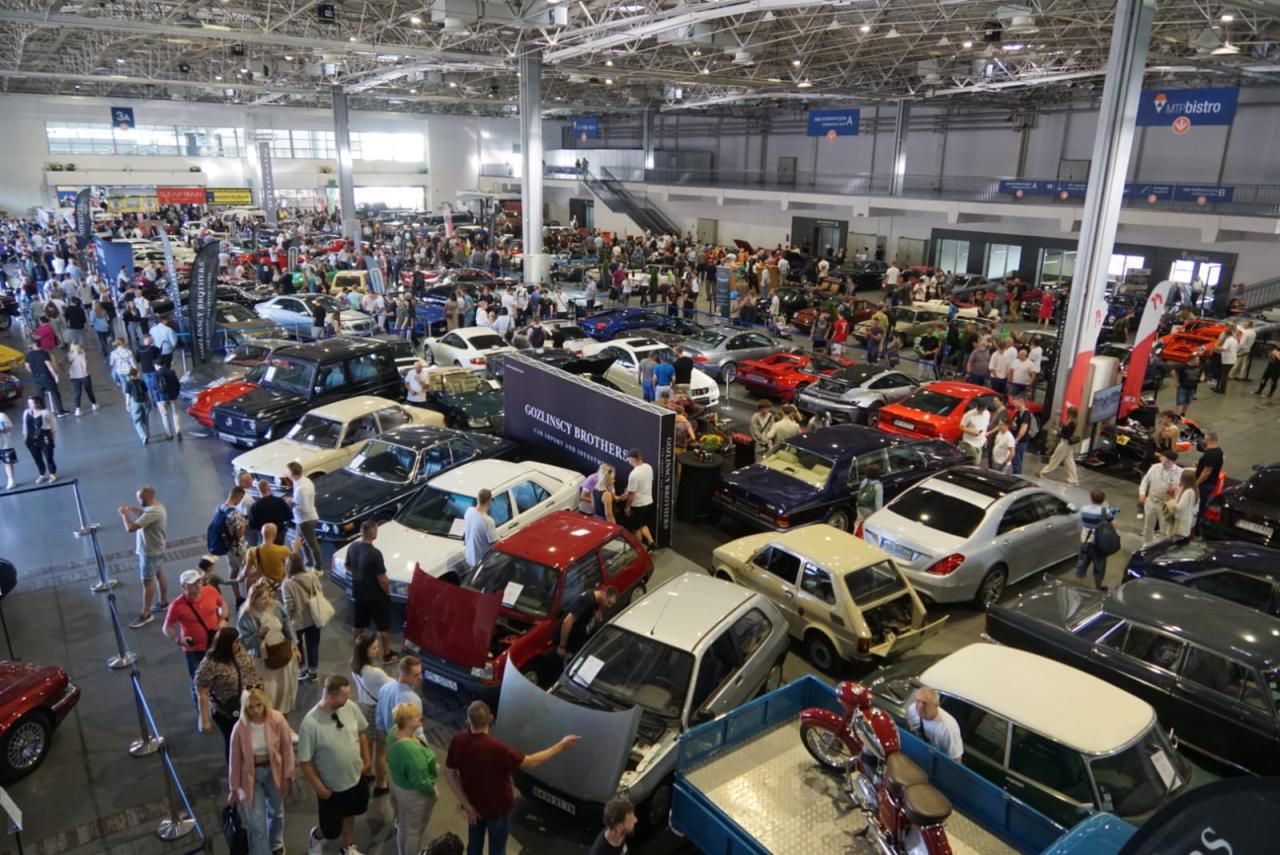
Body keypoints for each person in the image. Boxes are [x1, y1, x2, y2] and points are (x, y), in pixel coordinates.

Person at [443, 701, 581, 855]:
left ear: (468, 721)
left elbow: (449, 773)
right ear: (491, 718)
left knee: (474, 847)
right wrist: (561, 745)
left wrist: (467, 805)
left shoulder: (458, 741)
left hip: (473, 808)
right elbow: (531, 762)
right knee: (497, 849)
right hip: (498, 810)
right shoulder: (497, 749)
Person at [298, 675, 372, 855]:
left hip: (354, 777)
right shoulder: (310, 724)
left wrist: (367, 760)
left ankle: (347, 847)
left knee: (350, 813)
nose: (349, 698)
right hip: (331, 787)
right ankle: (316, 836)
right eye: (344, 695)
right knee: (331, 830)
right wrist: (320, 789)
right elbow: (305, 761)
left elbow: (361, 732)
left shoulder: (350, 707)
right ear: (331, 697)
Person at [228, 687, 295, 855]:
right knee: (257, 821)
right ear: (245, 707)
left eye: (259, 705)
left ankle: (276, 844)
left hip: (274, 771)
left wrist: (288, 775)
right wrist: (234, 788)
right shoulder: (240, 727)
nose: (256, 711)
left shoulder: (277, 719)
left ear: (265, 703)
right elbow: (234, 760)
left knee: (277, 812)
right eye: (251, 707)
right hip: (250, 776)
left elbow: (287, 749)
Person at [163, 569, 228, 708]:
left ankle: (220, 702)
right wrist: (178, 640)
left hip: (215, 643)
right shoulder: (176, 606)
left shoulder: (210, 591)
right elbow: (167, 627)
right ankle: (201, 709)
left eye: (198, 581)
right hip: (194, 650)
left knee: (220, 673)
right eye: (192, 584)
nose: (198, 586)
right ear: (184, 587)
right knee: (198, 681)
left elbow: (222, 604)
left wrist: (223, 619)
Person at [196, 627, 262, 756]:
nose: (239, 644)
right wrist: (204, 719)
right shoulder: (211, 663)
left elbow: (251, 671)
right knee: (234, 742)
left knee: (251, 737)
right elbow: (202, 692)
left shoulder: (240, 652)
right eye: (235, 642)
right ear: (225, 644)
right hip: (226, 710)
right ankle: (234, 769)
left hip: (248, 703)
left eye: (239, 641)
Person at [387, 702, 439, 855]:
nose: (420, 718)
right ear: (408, 722)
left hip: (398, 785)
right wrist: (433, 793)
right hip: (414, 795)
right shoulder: (413, 753)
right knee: (414, 832)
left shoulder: (393, 732)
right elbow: (422, 783)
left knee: (403, 825)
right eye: (417, 716)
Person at [376, 657, 424, 801]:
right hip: (407, 748)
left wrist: (385, 738)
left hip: (389, 740)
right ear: (404, 674)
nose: (420, 678)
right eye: (415, 675)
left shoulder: (385, 687)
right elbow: (417, 731)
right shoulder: (413, 699)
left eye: (420, 673)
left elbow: (379, 717)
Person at [350, 634, 393, 794]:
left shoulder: (354, 665)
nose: (378, 650)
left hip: (362, 707)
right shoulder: (375, 672)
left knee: (366, 745)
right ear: (364, 650)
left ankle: (367, 772)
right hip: (375, 710)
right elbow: (393, 685)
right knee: (380, 751)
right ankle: (381, 784)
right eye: (374, 648)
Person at [120, 484, 169, 627]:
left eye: (139, 498)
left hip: (149, 552)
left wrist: (125, 515)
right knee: (159, 573)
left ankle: (146, 613)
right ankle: (163, 601)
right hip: (158, 548)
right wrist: (132, 509)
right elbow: (144, 513)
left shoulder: (153, 512)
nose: (137, 500)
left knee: (147, 582)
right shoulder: (157, 506)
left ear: (146, 498)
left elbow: (130, 528)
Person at [346, 520, 396, 659]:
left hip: (359, 593)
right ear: (372, 533)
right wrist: (387, 590)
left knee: (358, 623)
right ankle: (386, 654)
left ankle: (359, 652)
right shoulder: (375, 553)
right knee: (382, 627)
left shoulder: (353, 547)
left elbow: (348, 566)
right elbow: (382, 578)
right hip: (376, 597)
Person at [282, 545, 325, 682]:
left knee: (297, 645)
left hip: (297, 621)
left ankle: (301, 669)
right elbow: (320, 592)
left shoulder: (287, 584)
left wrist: (285, 619)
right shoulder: (312, 576)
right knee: (313, 645)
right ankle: (313, 671)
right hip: (313, 617)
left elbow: (289, 605)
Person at [556, 586, 618, 662]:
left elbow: (597, 614)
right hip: (571, 645)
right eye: (608, 603)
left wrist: (598, 616)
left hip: (580, 642)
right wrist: (562, 646)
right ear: (604, 594)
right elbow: (567, 621)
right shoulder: (588, 601)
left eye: (611, 604)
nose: (609, 606)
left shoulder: (597, 599)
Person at [1139, 450, 1184, 547]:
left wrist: (1176, 491)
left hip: (1166, 505)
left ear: (1173, 462)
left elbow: (1182, 488)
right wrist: (1142, 493)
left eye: (1167, 462)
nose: (1164, 464)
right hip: (1151, 501)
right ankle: (1146, 545)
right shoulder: (1155, 467)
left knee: (1164, 529)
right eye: (1163, 460)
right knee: (1148, 526)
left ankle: (1160, 548)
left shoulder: (1180, 472)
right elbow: (1145, 480)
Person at [905, 687, 962, 762]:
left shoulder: (948, 729)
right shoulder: (912, 710)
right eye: (918, 701)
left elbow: (956, 760)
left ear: (936, 705)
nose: (920, 707)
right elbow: (908, 728)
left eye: (925, 703)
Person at [286, 461, 323, 572]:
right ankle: (308, 564)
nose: (286, 473)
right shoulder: (305, 480)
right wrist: (293, 500)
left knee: (311, 544)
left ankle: (318, 568)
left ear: (292, 473)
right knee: (301, 542)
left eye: (288, 471)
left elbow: (304, 508)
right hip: (303, 519)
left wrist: (291, 503)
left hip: (305, 520)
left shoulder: (301, 489)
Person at [1076, 489, 1115, 589]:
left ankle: (1077, 589)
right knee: (1099, 570)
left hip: (1085, 543)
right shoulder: (1106, 512)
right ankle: (1098, 589)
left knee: (1081, 568)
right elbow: (1112, 527)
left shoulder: (1084, 509)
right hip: (1099, 546)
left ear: (1091, 498)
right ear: (1103, 500)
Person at [243, 522, 291, 595]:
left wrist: (257, 572)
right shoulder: (284, 550)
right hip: (279, 587)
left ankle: (250, 600)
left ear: (262, 534)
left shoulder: (252, 551)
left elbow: (246, 574)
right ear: (275, 535)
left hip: (263, 587)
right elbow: (291, 568)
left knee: (248, 580)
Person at [23, 339, 69, 417]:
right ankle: (60, 412)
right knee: (55, 393)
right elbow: (49, 365)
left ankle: (42, 413)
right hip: (46, 377)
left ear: (34, 345)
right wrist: (55, 375)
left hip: (36, 377)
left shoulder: (28, 355)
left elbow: (27, 366)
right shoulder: (44, 353)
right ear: (40, 345)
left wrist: (34, 371)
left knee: (40, 396)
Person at [622, 449, 655, 550]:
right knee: (642, 524)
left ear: (633, 459)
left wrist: (627, 507)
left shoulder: (634, 474)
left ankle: (640, 549)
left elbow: (632, 494)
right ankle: (651, 542)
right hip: (649, 502)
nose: (628, 461)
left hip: (638, 505)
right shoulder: (648, 467)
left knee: (635, 528)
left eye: (628, 459)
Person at [21, 395, 58, 484]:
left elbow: (53, 426)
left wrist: (51, 439)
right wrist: (25, 438)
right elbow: (25, 426)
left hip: (44, 438)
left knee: (48, 457)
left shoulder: (45, 412)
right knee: (37, 458)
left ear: (38, 403)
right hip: (31, 439)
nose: (29, 405)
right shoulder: (26, 412)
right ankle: (42, 474)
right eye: (28, 403)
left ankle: (53, 474)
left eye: (31, 403)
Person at [248, 480, 292, 546]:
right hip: (279, 532)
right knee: (279, 552)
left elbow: (252, 525)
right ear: (269, 488)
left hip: (264, 535)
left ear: (258, 490)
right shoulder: (279, 501)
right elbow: (288, 516)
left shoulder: (255, 506)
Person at [463, 489, 498, 570]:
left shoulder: (469, 511)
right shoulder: (488, 521)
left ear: (477, 498)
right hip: (484, 563)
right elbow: (493, 543)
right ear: (489, 501)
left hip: (470, 557)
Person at [66, 342, 99, 416]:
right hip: (84, 376)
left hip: (73, 377)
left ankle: (77, 409)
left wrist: (66, 372)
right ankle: (94, 404)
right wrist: (85, 371)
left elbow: (61, 363)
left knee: (77, 393)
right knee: (89, 390)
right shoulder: (82, 355)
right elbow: (85, 364)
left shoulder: (69, 355)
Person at [154, 362, 184, 440]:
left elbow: (155, 387)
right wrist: (176, 393)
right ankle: (178, 432)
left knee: (165, 416)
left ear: (156, 365)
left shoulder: (156, 375)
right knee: (175, 414)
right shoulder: (171, 372)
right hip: (172, 396)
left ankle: (169, 434)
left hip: (161, 398)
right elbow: (178, 384)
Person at [123, 367, 152, 444]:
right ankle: (147, 435)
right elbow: (146, 393)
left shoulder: (129, 384)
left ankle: (143, 436)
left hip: (135, 403)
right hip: (144, 401)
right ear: (137, 374)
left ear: (130, 375)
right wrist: (149, 402)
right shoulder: (142, 382)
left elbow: (128, 395)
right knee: (145, 419)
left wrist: (127, 405)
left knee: (137, 421)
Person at [958, 400, 990, 466]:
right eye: (979, 408)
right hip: (969, 442)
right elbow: (961, 426)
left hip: (980, 442)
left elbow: (985, 426)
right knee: (975, 461)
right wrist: (971, 432)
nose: (981, 410)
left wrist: (984, 436)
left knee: (976, 462)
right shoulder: (969, 415)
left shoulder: (987, 414)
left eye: (982, 409)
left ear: (986, 408)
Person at [1170, 469, 1200, 539]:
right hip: (1187, 521)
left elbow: (1179, 507)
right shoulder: (1195, 490)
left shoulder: (1188, 492)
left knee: (1175, 541)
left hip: (1181, 522)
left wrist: (1170, 502)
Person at [1215, 327, 1238, 393]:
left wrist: (1216, 347)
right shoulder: (1235, 340)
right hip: (1232, 360)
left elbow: (1223, 348)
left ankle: (1222, 389)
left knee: (1223, 375)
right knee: (1225, 375)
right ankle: (1222, 388)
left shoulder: (1228, 340)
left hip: (1227, 360)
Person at [0, 408, 16, 490]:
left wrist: (2, 430)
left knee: (8, 463)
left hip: (5, 444)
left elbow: (10, 427)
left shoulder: (2, 415)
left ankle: (11, 480)